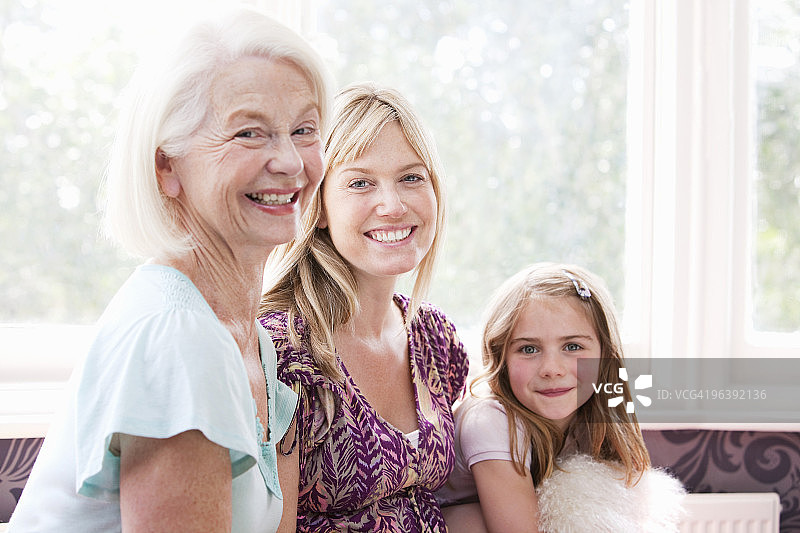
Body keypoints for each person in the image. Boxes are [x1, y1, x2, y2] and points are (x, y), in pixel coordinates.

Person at [8, 9, 333, 533]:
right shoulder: (179, 336)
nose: (291, 162)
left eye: (304, 129)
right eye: (250, 133)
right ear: (167, 166)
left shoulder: (248, 335)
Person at [259, 82, 469, 532]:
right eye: (360, 183)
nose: (392, 205)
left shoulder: (435, 337)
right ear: (317, 206)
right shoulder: (281, 351)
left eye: (412, 177)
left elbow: (448, 502)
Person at [438, 263, 683, 533]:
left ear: (605, 354)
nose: (552, 369)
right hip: (439, 521)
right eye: (529, 349)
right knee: (470, 518)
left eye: (572, 346)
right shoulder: (490, 419)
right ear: (501, 356)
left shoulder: (592, 416)